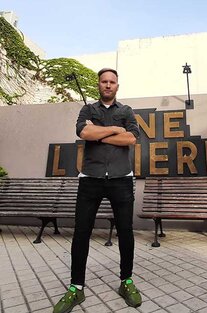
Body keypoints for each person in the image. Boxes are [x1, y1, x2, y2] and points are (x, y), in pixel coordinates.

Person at [53, 68, 141, 313]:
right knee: (81, 233)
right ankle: (76, 288)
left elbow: (131, 140)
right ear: (99, 84)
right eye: (104, 81)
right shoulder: (87, 110)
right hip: (90, 179)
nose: (108, 85)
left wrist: (98, 134)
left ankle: (126, 281)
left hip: (121, 179)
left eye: (112, 81)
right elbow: (83, 132)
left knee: (125, 232)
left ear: (117, 85)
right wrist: (115, 131)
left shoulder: (126, 111)